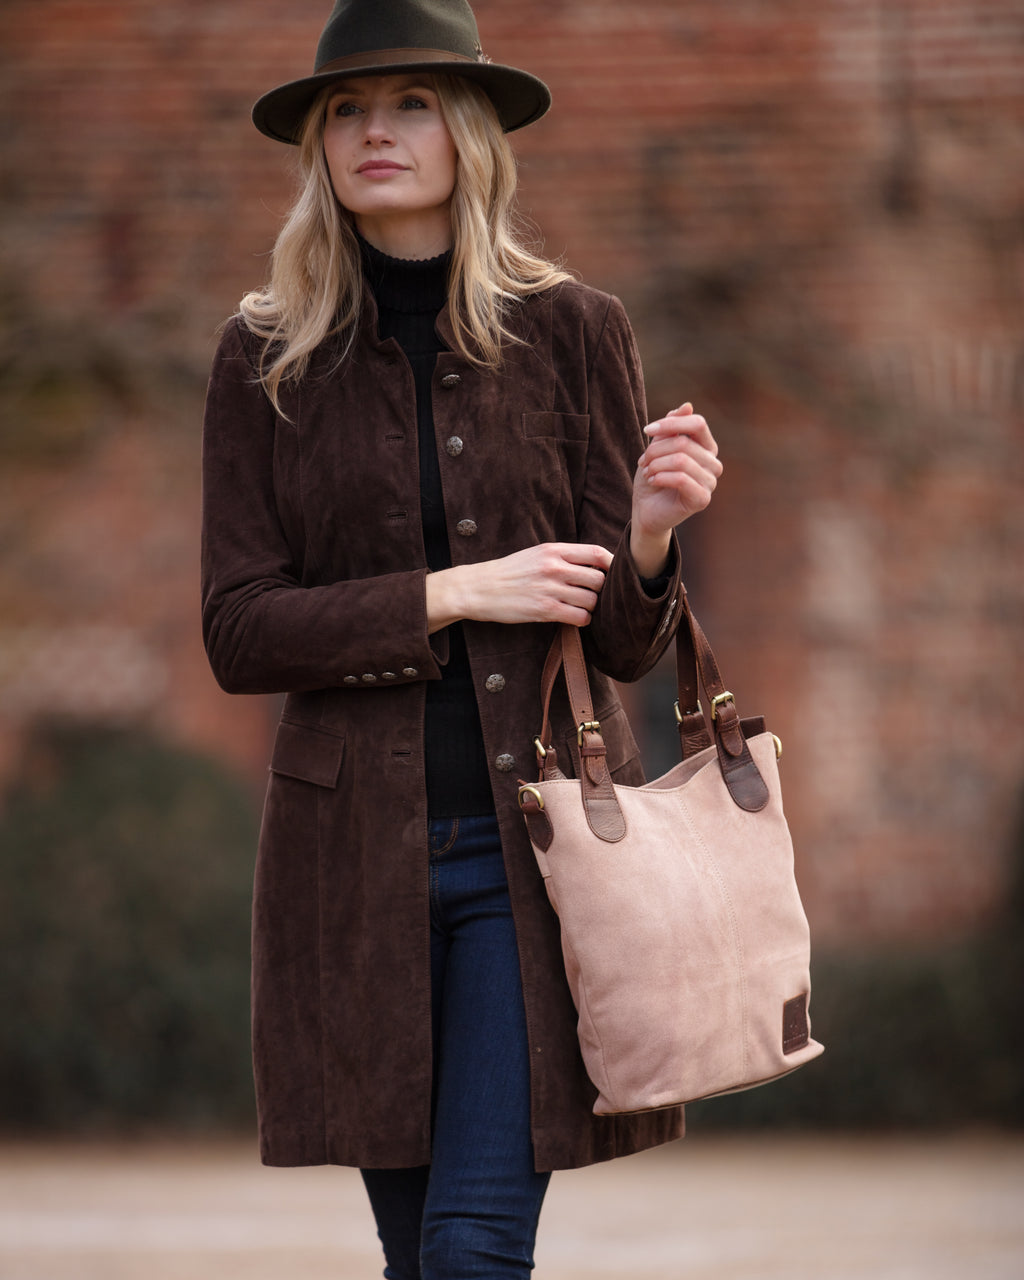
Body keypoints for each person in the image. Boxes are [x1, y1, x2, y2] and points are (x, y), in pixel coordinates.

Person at [201, 1, 722, 1276]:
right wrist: (450, 590)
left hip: (532, 852)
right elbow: (238, 629)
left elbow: (623, 644)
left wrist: (651, 533)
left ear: (469, 132)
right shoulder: (265, 354)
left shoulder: (575, 330)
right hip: (347, 864)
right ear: (319, 147)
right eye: (345, 111)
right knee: (414, 1253)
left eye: (411, 104)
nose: (374, 131)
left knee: (472, 1244)